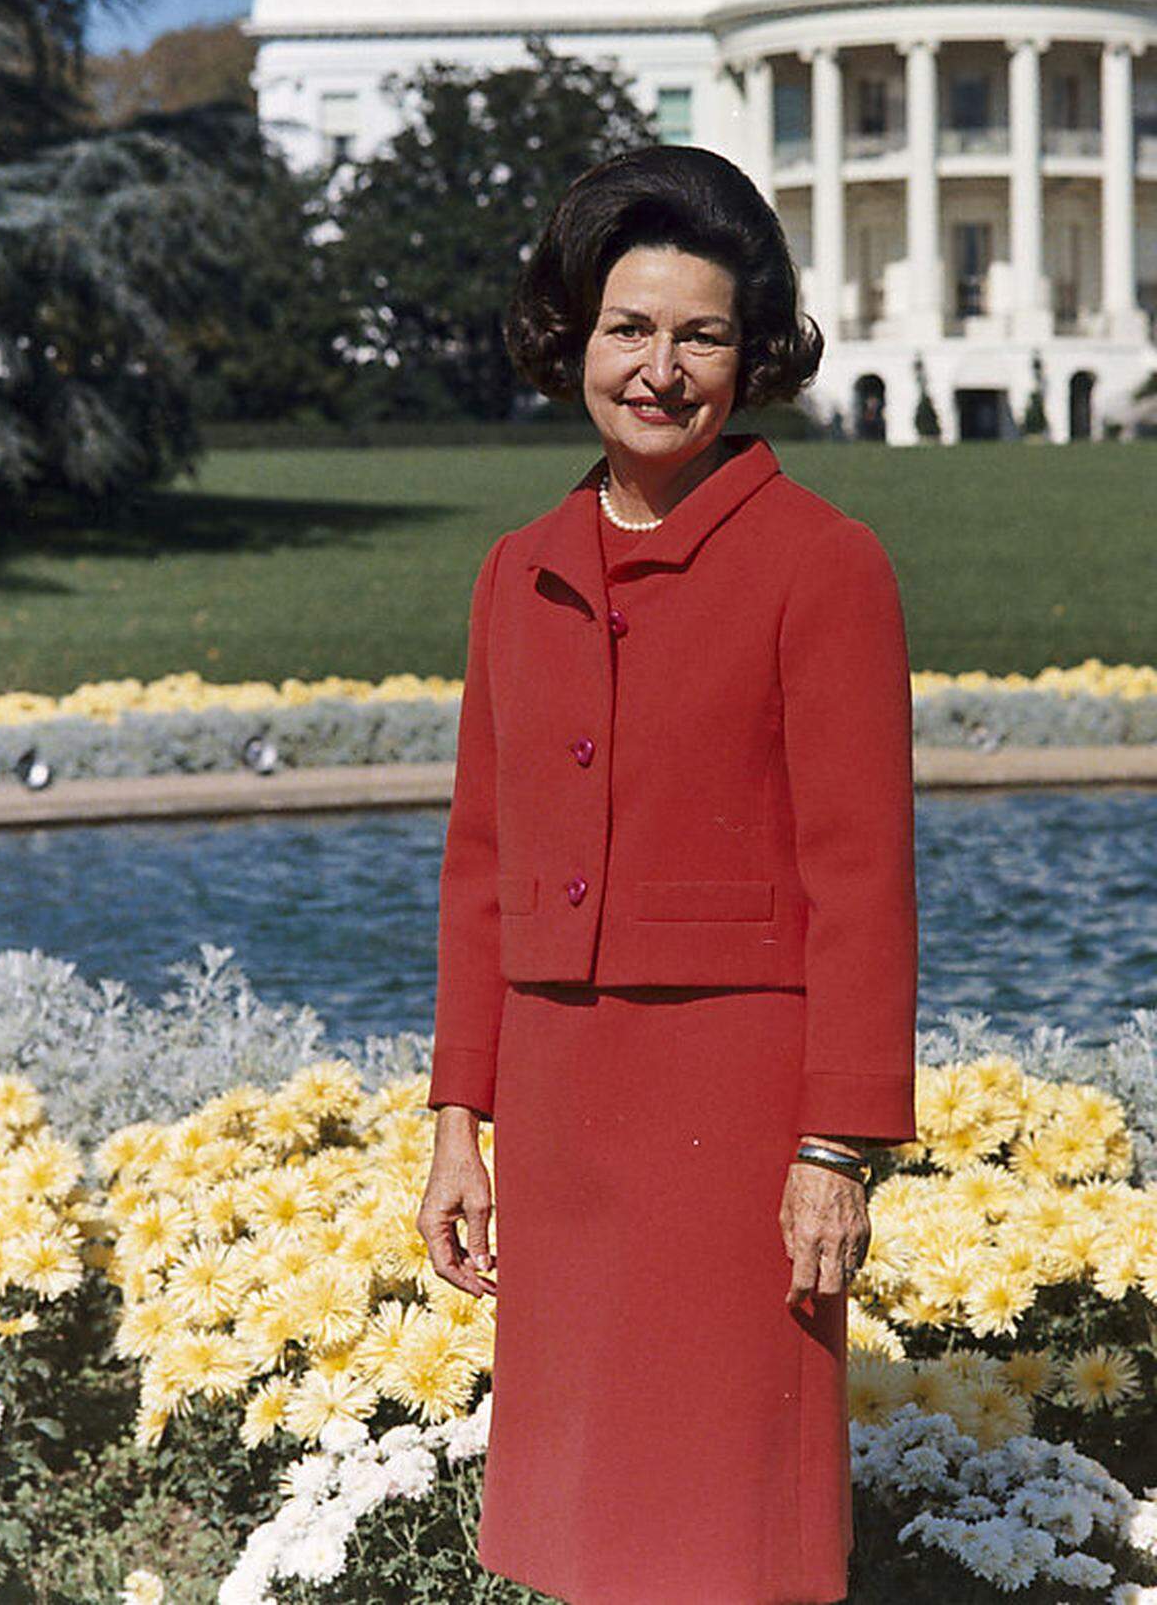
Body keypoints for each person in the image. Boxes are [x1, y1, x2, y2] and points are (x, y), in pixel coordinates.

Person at [416, 144, 919, 1605]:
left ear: (749, 356)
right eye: (629, 330)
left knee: (725, 1530)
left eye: (700, 335)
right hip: (565, 1112)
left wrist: (837, 1149)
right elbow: (481, 861)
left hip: (740, 1117)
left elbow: (864, 882)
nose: (659, 369)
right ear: (573, 339)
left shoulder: (823, 565)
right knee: (580, 1531)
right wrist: (462, 1117)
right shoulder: (517, 569)